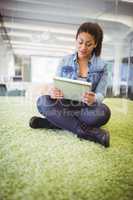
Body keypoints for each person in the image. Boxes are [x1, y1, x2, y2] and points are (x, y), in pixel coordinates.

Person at [29, 22, 111, 148]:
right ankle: (86, 132)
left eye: (88, 44)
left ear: (95, 44)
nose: (83, 47)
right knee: (42, 101)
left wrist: (94, 98)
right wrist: (53, 91)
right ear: (76, 40)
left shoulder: (103, 66)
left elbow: (101, 94)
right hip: (64, 105)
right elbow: (55, 85)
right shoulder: (64, 60)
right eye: (80, 42)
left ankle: (52, 123)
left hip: (86, 109)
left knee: (104, 112)